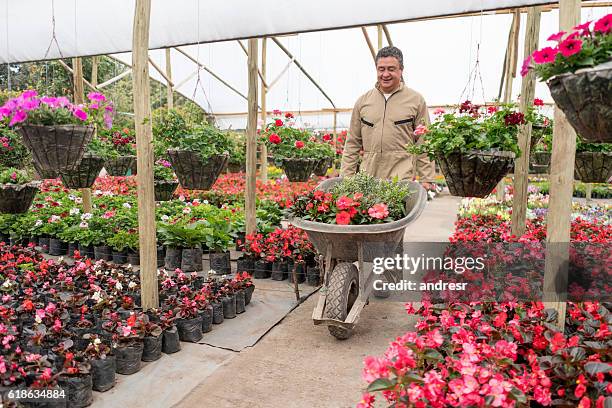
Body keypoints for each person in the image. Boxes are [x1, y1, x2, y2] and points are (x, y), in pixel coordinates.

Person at [340, 46, 435, 190]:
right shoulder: (363, 102)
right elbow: (352, 143)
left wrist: (427, 178)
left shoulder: (415, 100)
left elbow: (424, 142)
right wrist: (346, 178)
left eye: (391, 69)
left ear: (401, 70)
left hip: (402, 179)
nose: (385, 74)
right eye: (381, 69)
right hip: (368, 179)